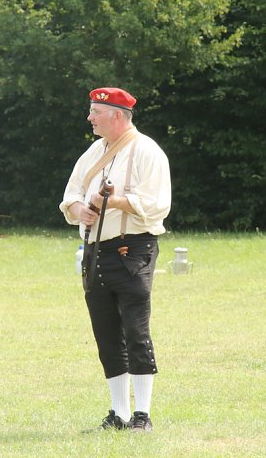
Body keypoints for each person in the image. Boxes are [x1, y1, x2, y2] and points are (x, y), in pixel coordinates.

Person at [60, 87, 171, 432]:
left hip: (132, 249)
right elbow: (71, 196)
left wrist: (113, 200)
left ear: (118, 116)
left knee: (136, 330)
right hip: (96, 251)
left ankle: (143, 415)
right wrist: (80, 209)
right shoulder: (94, 151)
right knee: (106, 333)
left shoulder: (147, 151)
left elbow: (157, 205)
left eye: (96, 112)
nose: (89, 117)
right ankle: (120, 414)